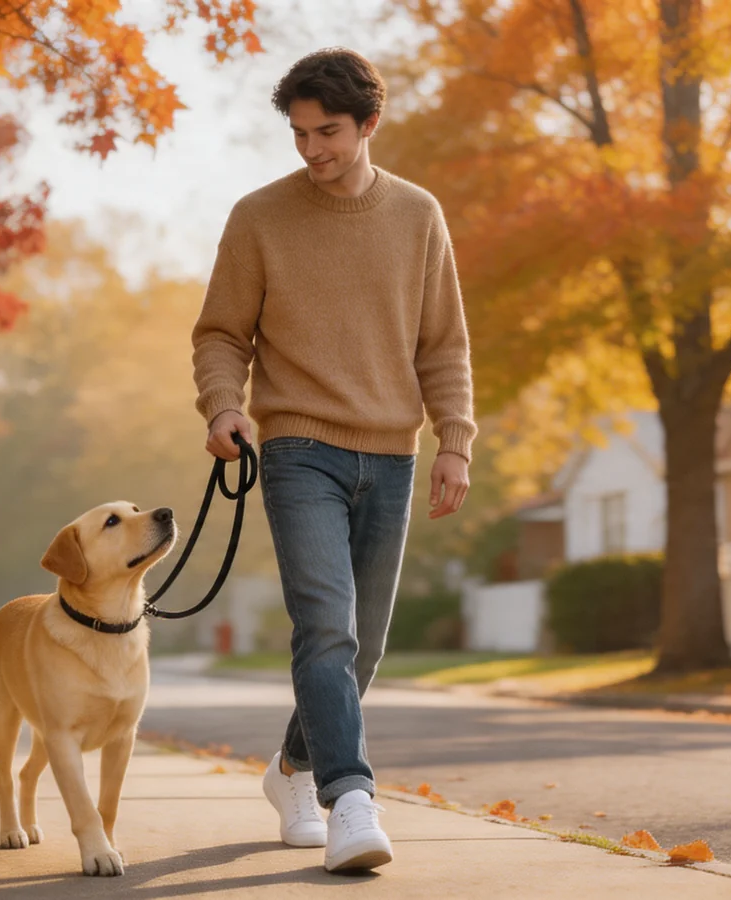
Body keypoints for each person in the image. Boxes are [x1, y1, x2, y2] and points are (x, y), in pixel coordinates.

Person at [190, 47, 476, 874]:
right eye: (299, 133)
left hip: (390, 453)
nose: (312, 149)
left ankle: (290, 770)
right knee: (325, 627)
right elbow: (220, 333)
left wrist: (454, 440)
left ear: (369, 124)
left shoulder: (419, 215)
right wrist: (224, 404)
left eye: (329, 132)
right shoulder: (259, 216)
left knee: (364, 646)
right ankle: (350, 798)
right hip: (296, 447)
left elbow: (445, 344)